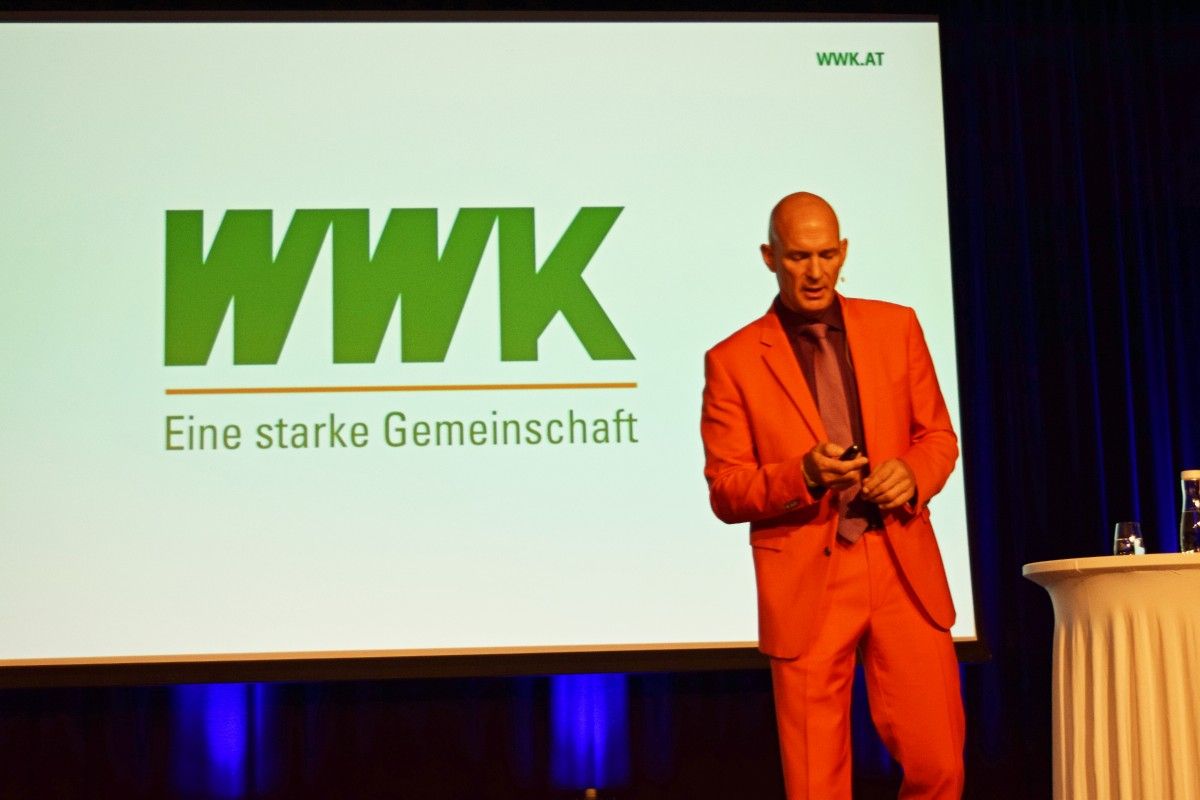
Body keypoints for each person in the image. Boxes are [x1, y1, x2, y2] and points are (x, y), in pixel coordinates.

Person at [700, 192, 965, 799]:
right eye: (798, 257)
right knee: (815, 783)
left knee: (940, 765)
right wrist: (804, 475)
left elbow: (938, 438)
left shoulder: (896, 327)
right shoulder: (733, 361)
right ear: (770, 257)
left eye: (825, 255)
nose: (815, 271)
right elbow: (726, 488)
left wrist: (911, 474)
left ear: (843, 251)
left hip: (900, 561)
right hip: (808, 578)